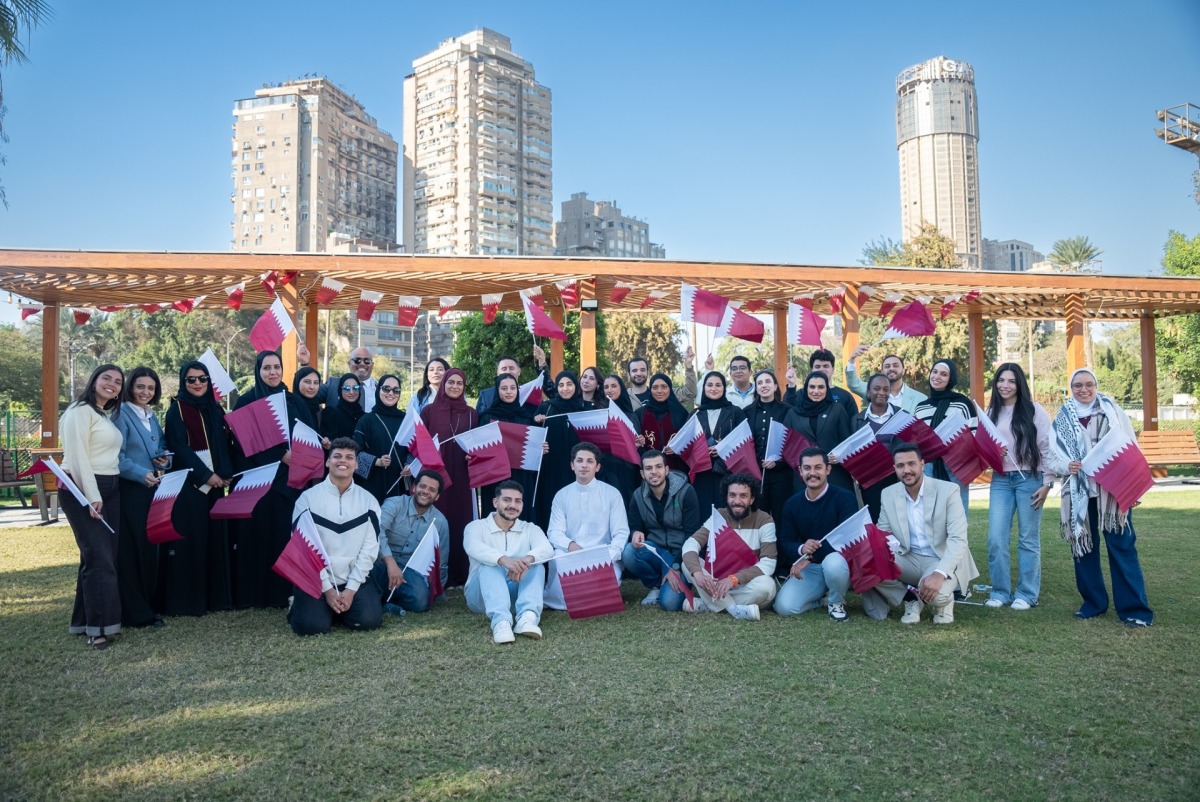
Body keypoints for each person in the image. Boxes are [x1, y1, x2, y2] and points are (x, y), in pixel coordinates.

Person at [1046, 368, 1154, 627]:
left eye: (1089, 384)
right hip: (1079, 492)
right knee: (1084, 548)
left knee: (1122, 546)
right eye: (1078, 386)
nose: (1084, 390)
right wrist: (1066, 466)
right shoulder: (1061, 418)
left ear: (1096, 386)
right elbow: (1051, 457)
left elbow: (1130, 447)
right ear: (1070, 388)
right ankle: (1093, 603)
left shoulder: (1112, 411)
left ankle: (1134, 609)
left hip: (1113, 489)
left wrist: (1134, 486)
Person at [230, 350, 314, 609]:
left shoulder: (293, 401)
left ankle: (281, 594)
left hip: (289, 484)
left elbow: (308, 432)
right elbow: (241, 442)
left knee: (283, 537)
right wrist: (279, 455)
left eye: (277, 367)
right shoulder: (246, 401)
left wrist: (298, 455)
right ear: (258, 370)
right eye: (267, 368)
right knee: (260, 537)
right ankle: (257, 595)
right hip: (260, 482)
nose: (273, 372)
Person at [873, 443, 979, 625]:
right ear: (894, 469)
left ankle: (943, 603)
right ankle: (911, 598)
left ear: (922, 464)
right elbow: (883, 535)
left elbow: (958, 539)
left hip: (940, 558)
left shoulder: (948, 490)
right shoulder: (888, 494)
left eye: (911, 464)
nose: (906, 470)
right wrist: (882, 556)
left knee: (938, 596)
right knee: (869, 562)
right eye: (900, 466)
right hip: (908, 556)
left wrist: (939, 574)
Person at [288, 438, 382, 636]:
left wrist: (351, 590)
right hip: (317, 580)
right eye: (337, 456)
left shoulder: (369, 502)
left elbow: (369, 550)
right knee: (312, 628)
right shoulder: (307, 499)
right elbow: (304, 550)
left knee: (368, 622)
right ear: (327, 462)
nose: (343, 461)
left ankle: (337, 607)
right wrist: (328, 590)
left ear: (356, 465)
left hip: (353, 581)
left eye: (349, 457)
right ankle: (303, 605)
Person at [163, 360, 235, 615]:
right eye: (191, 379)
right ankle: (190, 602)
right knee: (193, 542)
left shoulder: (215, 409)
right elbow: (179, 448)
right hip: (190, 488)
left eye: (202, 379)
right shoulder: (177, 411)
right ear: (183, 382)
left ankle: (215, 599)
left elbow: (226, 444)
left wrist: (225, 474)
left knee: (214, 539)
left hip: (216, 487)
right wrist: (206, 476)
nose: (197, 383)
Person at [61, 364, 125, 650]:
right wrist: (91, 495)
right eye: (106, 378)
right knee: (99, 559)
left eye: (118, 381)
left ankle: (81, 621)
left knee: (98, 557)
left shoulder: (104, 415)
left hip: (111, 488)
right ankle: (97, 629)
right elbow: (77, 458)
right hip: (84, 490)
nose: (112, 384)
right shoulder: (79, 411)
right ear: (94, 380)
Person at [985, 363, 1054, 611]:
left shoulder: (1034, 410)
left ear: (1019, 384)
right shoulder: (991, 411)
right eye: (1001, 380)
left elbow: (1046, 447)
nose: (1005, 385)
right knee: (996, 538)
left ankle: (1027, 593)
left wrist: (1047, 483)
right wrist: (992, 451)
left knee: (1028, 539)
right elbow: (983, 448)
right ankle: (1000, 591)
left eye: (1011, 381)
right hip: (1001, 480)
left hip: (1030, 479)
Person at [774, 448, 863, 621]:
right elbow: (786, 540)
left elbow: (847, 539)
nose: (812, 473)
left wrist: (808, 557)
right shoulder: (792, 504)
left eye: (818, 467)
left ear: (827, 470)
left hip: (840, 563)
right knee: (784, 607)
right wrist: (801, 549)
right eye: (807, 468)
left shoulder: (845, 498)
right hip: (812, 568)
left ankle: (836, 602)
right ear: (800, 471)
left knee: (833, 562)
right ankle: (821, 600)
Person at [464, 480, 553, 644]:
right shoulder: (476, 527)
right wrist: (505, 561)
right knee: (489, 564)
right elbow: (473, 546)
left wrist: (526, 561)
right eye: (507, 500)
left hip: (514, 592)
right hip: (481, 597)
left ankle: (527, 617)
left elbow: (547, 549)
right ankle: (501, 622)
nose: (512, 505)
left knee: (536, 564)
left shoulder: (530, 528)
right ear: (495, 502)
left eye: (517, 501)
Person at [114, 366, 170, 629]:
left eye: (150, 388)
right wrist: (142, 474)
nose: (145, 392)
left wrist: (163, 459)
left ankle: (150, 605)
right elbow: (117, 457)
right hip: (132, 489)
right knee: (132, 551)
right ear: (130, 387)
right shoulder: (121, 414)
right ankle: (135, 613)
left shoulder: (151, 415)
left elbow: (159, 448)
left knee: (149, 548)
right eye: (140, 387)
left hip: (151, 489)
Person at [544, 442, 631, 610]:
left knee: (598, 596)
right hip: (570, 555)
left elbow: (621, 533)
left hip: (603, 555)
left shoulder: (612, 493)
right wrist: (570, 545)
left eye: (590, 461)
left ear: (597, 467)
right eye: (580, 460)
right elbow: (554, 532)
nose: (584, 465)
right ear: (572, 465)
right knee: (560, 564)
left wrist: (606, 557)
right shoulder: (562, 495)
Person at [681, 473, 777, 620]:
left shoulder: (764, 520)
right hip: (717, 581)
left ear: (752, 499)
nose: (737, 501)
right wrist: (698, 574)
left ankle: (711, 604)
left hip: (746, 584)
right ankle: (733, 608)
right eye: (732, 495)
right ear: (726, 497)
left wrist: (733, 579)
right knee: (687, 565)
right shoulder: (719, 516)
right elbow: (691, 544)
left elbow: (768, 564)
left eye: (743, 496)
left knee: (767, 587)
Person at [421, 367, 478, 587]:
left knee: (461, 519)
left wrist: (474, 456)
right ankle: (435, 574)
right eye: (450, 382)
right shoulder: (428, 411)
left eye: (459, 383)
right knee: (436, 520)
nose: (455, 386)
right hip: (437, 475)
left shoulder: (472, 413)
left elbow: (478, 444)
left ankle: (460, 573)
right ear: (443, 384)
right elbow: (420, 444)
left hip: (464, 477)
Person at [623, 450, 701, 610]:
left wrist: (677, 567)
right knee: (629, 552)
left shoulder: (686, 492)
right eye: (649, 468)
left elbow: (692, 535)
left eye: (658, 466)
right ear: (642, 473)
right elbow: (635, 524)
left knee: (670, 604)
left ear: (666, 470)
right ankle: (656, 586)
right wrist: (636, 532)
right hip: (657, 552)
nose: (654, 472)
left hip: (682, 555)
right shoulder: (638, 496)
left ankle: (677, 580)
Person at [368, 469, 449, 615]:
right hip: (380, 563)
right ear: (414, 487)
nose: (425, 491)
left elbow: (440, 561)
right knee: (364, 580)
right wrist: (390, 563)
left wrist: (436, 592)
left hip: (409, 573)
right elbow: (376, 531)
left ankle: (385, 603)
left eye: (432, 490)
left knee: (420, 600)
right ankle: (379, 601)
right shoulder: (395, 504)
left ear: (437, 496)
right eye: (422, 486)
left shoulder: (440, 522)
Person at [914, 359, 976, 516]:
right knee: (930, 517)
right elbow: (916, 439)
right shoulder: (921, 407)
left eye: (943, 374)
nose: (937, 377)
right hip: (927, 467)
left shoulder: (962, 404)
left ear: (951, 379)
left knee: (957, 515)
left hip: (955, 466)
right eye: (935, 372)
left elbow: (974, 434)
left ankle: (957, 542)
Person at [478, 373, 541, 520]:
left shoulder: (526, 417)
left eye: (513, 388)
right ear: (497, 391)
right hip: (495, 476)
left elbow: (532, 446)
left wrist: (540, 449)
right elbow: (481, 448)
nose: (509, 392)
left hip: (521, 476)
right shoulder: (487, 417)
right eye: (504, 388)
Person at [746, 369, 803, 526]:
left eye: (768, 382)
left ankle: (781, 550)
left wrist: (778, 462)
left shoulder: (787, 411)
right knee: (758, 517)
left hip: (781, 474)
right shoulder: (747, 412)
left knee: (781, 516)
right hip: (756, 475)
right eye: (760, 383)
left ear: (776, 386)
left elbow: (793, 443)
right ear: (756, 388)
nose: (764, 385)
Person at [533, 371, 583, 530]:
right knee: (551, 506)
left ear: (576, 386)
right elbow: (533, 439)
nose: (565, 389)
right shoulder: (546, 408)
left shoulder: (584, 409)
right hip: (551, 470)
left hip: (575, 471)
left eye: (569, 384)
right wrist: (536, 421)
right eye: (561, 385)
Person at [692, 370, 748, 511]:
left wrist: (722, 449)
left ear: (724, 388)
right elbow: (688, 443)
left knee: (726, 514)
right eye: (709, 385)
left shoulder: (735, 412)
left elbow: (744, 441)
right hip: (702, 474)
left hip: (728, 472)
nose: (714, 388)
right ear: (704, 388)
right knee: (704, 513)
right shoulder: (695, 414)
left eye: (718, 385)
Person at [791, 371, 853, 493]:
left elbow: (847, 441)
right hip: (804, 476)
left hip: (835, 473)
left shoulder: (837, 410)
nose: (816, 391)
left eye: (821, 387)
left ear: (827, 389)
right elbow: (788, 444)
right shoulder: (793, 413)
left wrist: (839, 455)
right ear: (805, 388)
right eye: (812, 387)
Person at [851, 373, 902, 520]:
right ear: (868, 392)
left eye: (886, 389)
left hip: (896, 478)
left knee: (896, 521)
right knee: (874, 520)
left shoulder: (901, 415)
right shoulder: (858, 420)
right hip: (869, 481)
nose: (881, 393)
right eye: (877, 388)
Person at [353, 375, 408, 504]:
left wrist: (410, 465)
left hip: (400, 484)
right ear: (378, 391)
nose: (391, 393)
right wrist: (377, 461)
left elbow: (415, 449)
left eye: (396, 390)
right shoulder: (366, 420)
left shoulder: (406, 420)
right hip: (373, 485)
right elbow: (354, 454)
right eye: (386, 389)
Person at [843, 346, 927, 413]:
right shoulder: (873, 390)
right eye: (887, 366)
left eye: (895, 365)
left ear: (903, 370)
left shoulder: (920, 399)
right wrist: (852, 359)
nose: (891, 368)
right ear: (882, 372)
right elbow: (853, 384)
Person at [637, 373, 691, 474]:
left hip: (676, 469)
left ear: (670, 389)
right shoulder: (640, 414)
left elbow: (689, 441)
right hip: (650, 471)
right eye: (655, 387)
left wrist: (678, 448)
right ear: (650, 390)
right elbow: (635, 444)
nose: (659, 391)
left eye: (664, 387)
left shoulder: (681, 413)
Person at [599, 374, 642, 500]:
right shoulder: (597, 413)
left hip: (626, 468)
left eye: (613, 386)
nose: (609, 390)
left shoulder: (631, 416)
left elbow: (635, 445)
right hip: (603, 468)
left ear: (621, 389)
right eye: (606, 387)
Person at [786, 349, 858, 420]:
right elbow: (789, 412)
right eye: (817, 366)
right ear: (812, 369)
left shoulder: (845, 396)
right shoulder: (802, 394)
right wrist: (791, 385)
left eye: (826, 366)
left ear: (833, 369)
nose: (822, 369)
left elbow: (854, 423)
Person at [475, 348, 551, 415]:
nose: (508, 372)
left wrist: (542, 362)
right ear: (497, 373)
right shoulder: (486, 395)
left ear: (519, 371)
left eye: (511, 368)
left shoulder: (529, 393)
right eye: (504, 369)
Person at [309, 346, 377, 413]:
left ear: (372, 364)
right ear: (349, 363)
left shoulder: (383, 390)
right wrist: (305, 364)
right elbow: (308, 395)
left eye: (367, 361)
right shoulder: (332, 385)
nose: (362, 364)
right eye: (357, 360)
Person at [627, 349, 697, 406]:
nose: (639, 373)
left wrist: (688, 366)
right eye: (634, 370)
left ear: (647, 372)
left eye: (642, 370)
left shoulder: (663, 393)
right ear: (629, 374)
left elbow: (690, 392)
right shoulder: (623, 398)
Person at [321, 373, 364, 444]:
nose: (351, 392)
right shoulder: (331, 413)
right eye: (347, 388)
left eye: (355, 388)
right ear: (340, 390)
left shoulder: (364, 416)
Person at [293, 366, 325, 437]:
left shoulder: (319, 411)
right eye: (307, 382)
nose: (312, 387)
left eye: (316, 383)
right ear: (297, 382)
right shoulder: (289, 407)